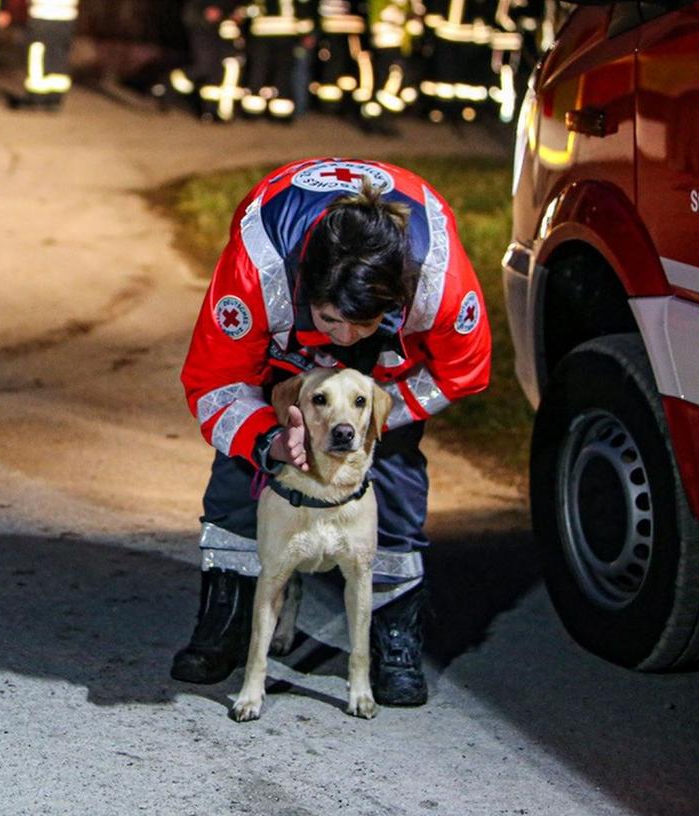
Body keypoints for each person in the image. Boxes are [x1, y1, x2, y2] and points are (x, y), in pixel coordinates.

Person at [170, 158, 491, 707]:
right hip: (285, 362)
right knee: (237, 472)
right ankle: (226, 613)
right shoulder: (258, 265)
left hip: (384, 376)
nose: (343, 340)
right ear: (303, 288)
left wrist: (380, 421)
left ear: (395, 299)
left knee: (394, 475)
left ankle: (394, 631)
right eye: (330, 320)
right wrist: (267, 441)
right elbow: (216, 381)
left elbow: (463, 369)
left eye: (360, 325)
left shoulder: (440, 279)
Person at [162, 0, 247, 123]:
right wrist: (204, 13)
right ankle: (166, 86)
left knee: (217, 70)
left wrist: (230, 13)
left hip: (219, 30)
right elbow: (191, 11)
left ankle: (211, 111)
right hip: (200, 27)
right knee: (204, 66)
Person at [19, 0, 79, 110]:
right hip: (67, 16)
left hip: (42, 14)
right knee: (59, 56)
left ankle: (37, 97)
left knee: (37, 54)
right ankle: (55, 98)